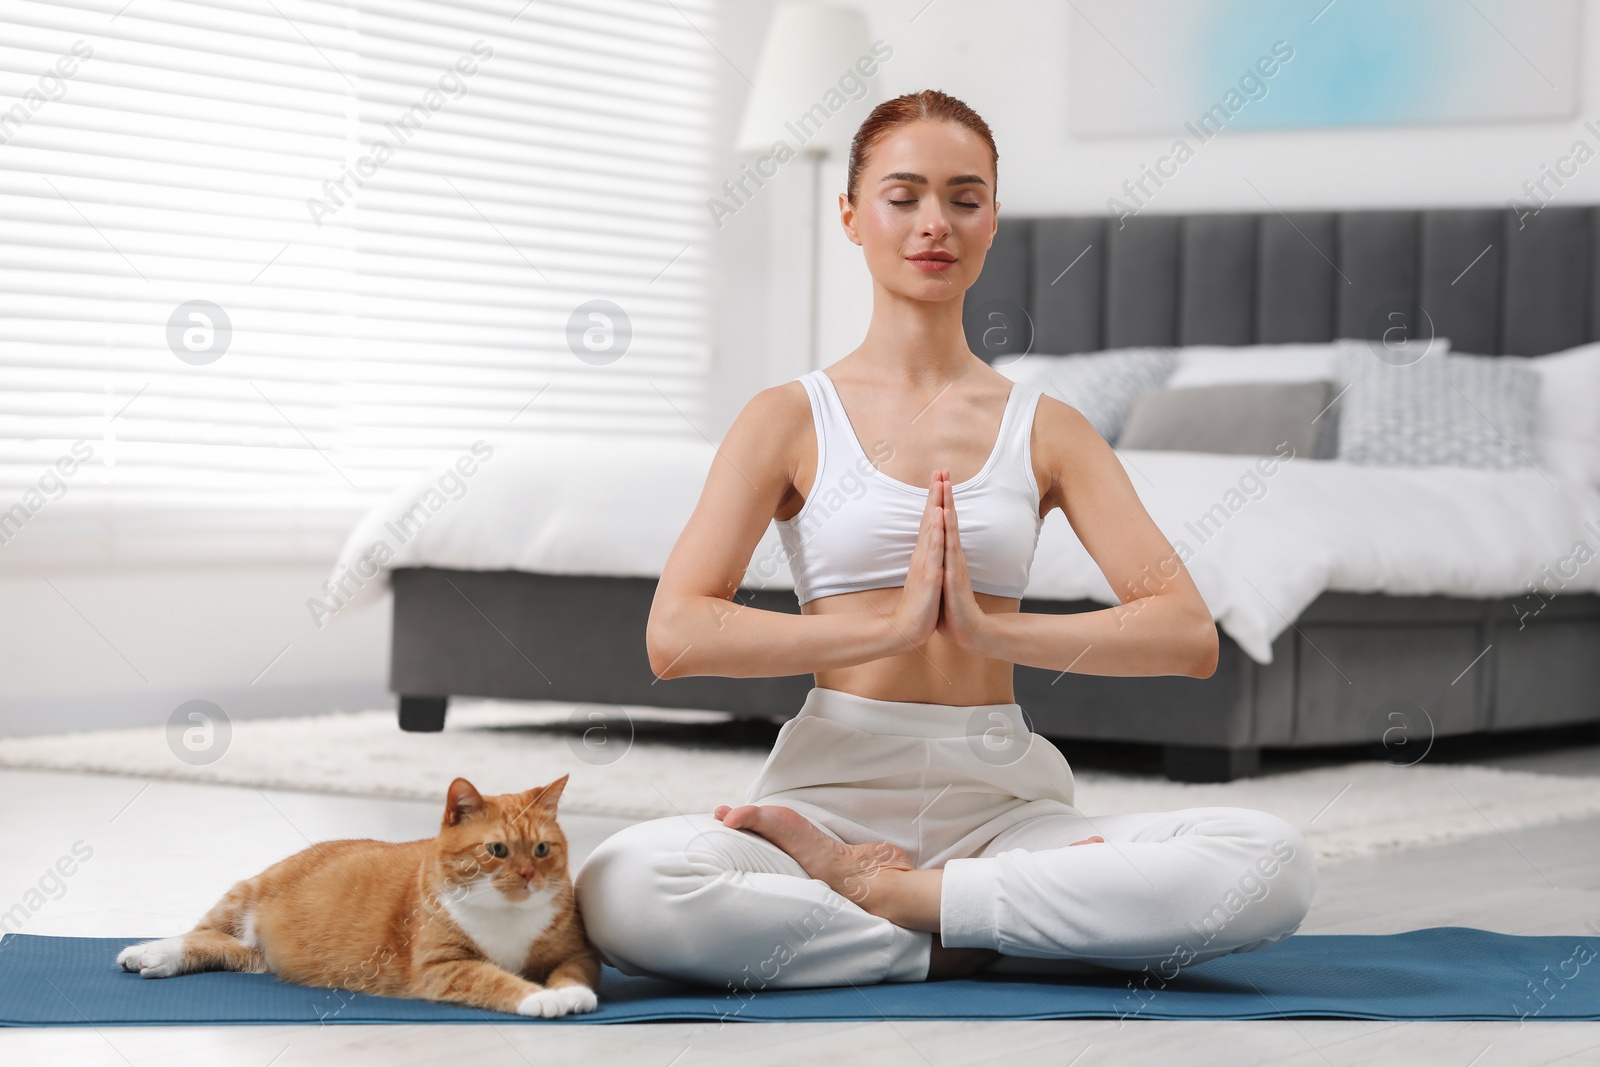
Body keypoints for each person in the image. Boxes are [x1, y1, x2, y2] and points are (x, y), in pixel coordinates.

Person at [575, 89, 1316, 991]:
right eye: (904, 196)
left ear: (994, 220)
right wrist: (886, 629)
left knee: (1269, 860)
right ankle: (960, 929)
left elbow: (1187, 635)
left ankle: (902, 903)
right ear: (850, 216)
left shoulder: (1049, 427)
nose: (936, 223)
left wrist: (993, 632)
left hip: (1003, 810)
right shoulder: (785, 418)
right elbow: (677, 634)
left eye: (965, 198)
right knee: (626, 885)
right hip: (824, 805)